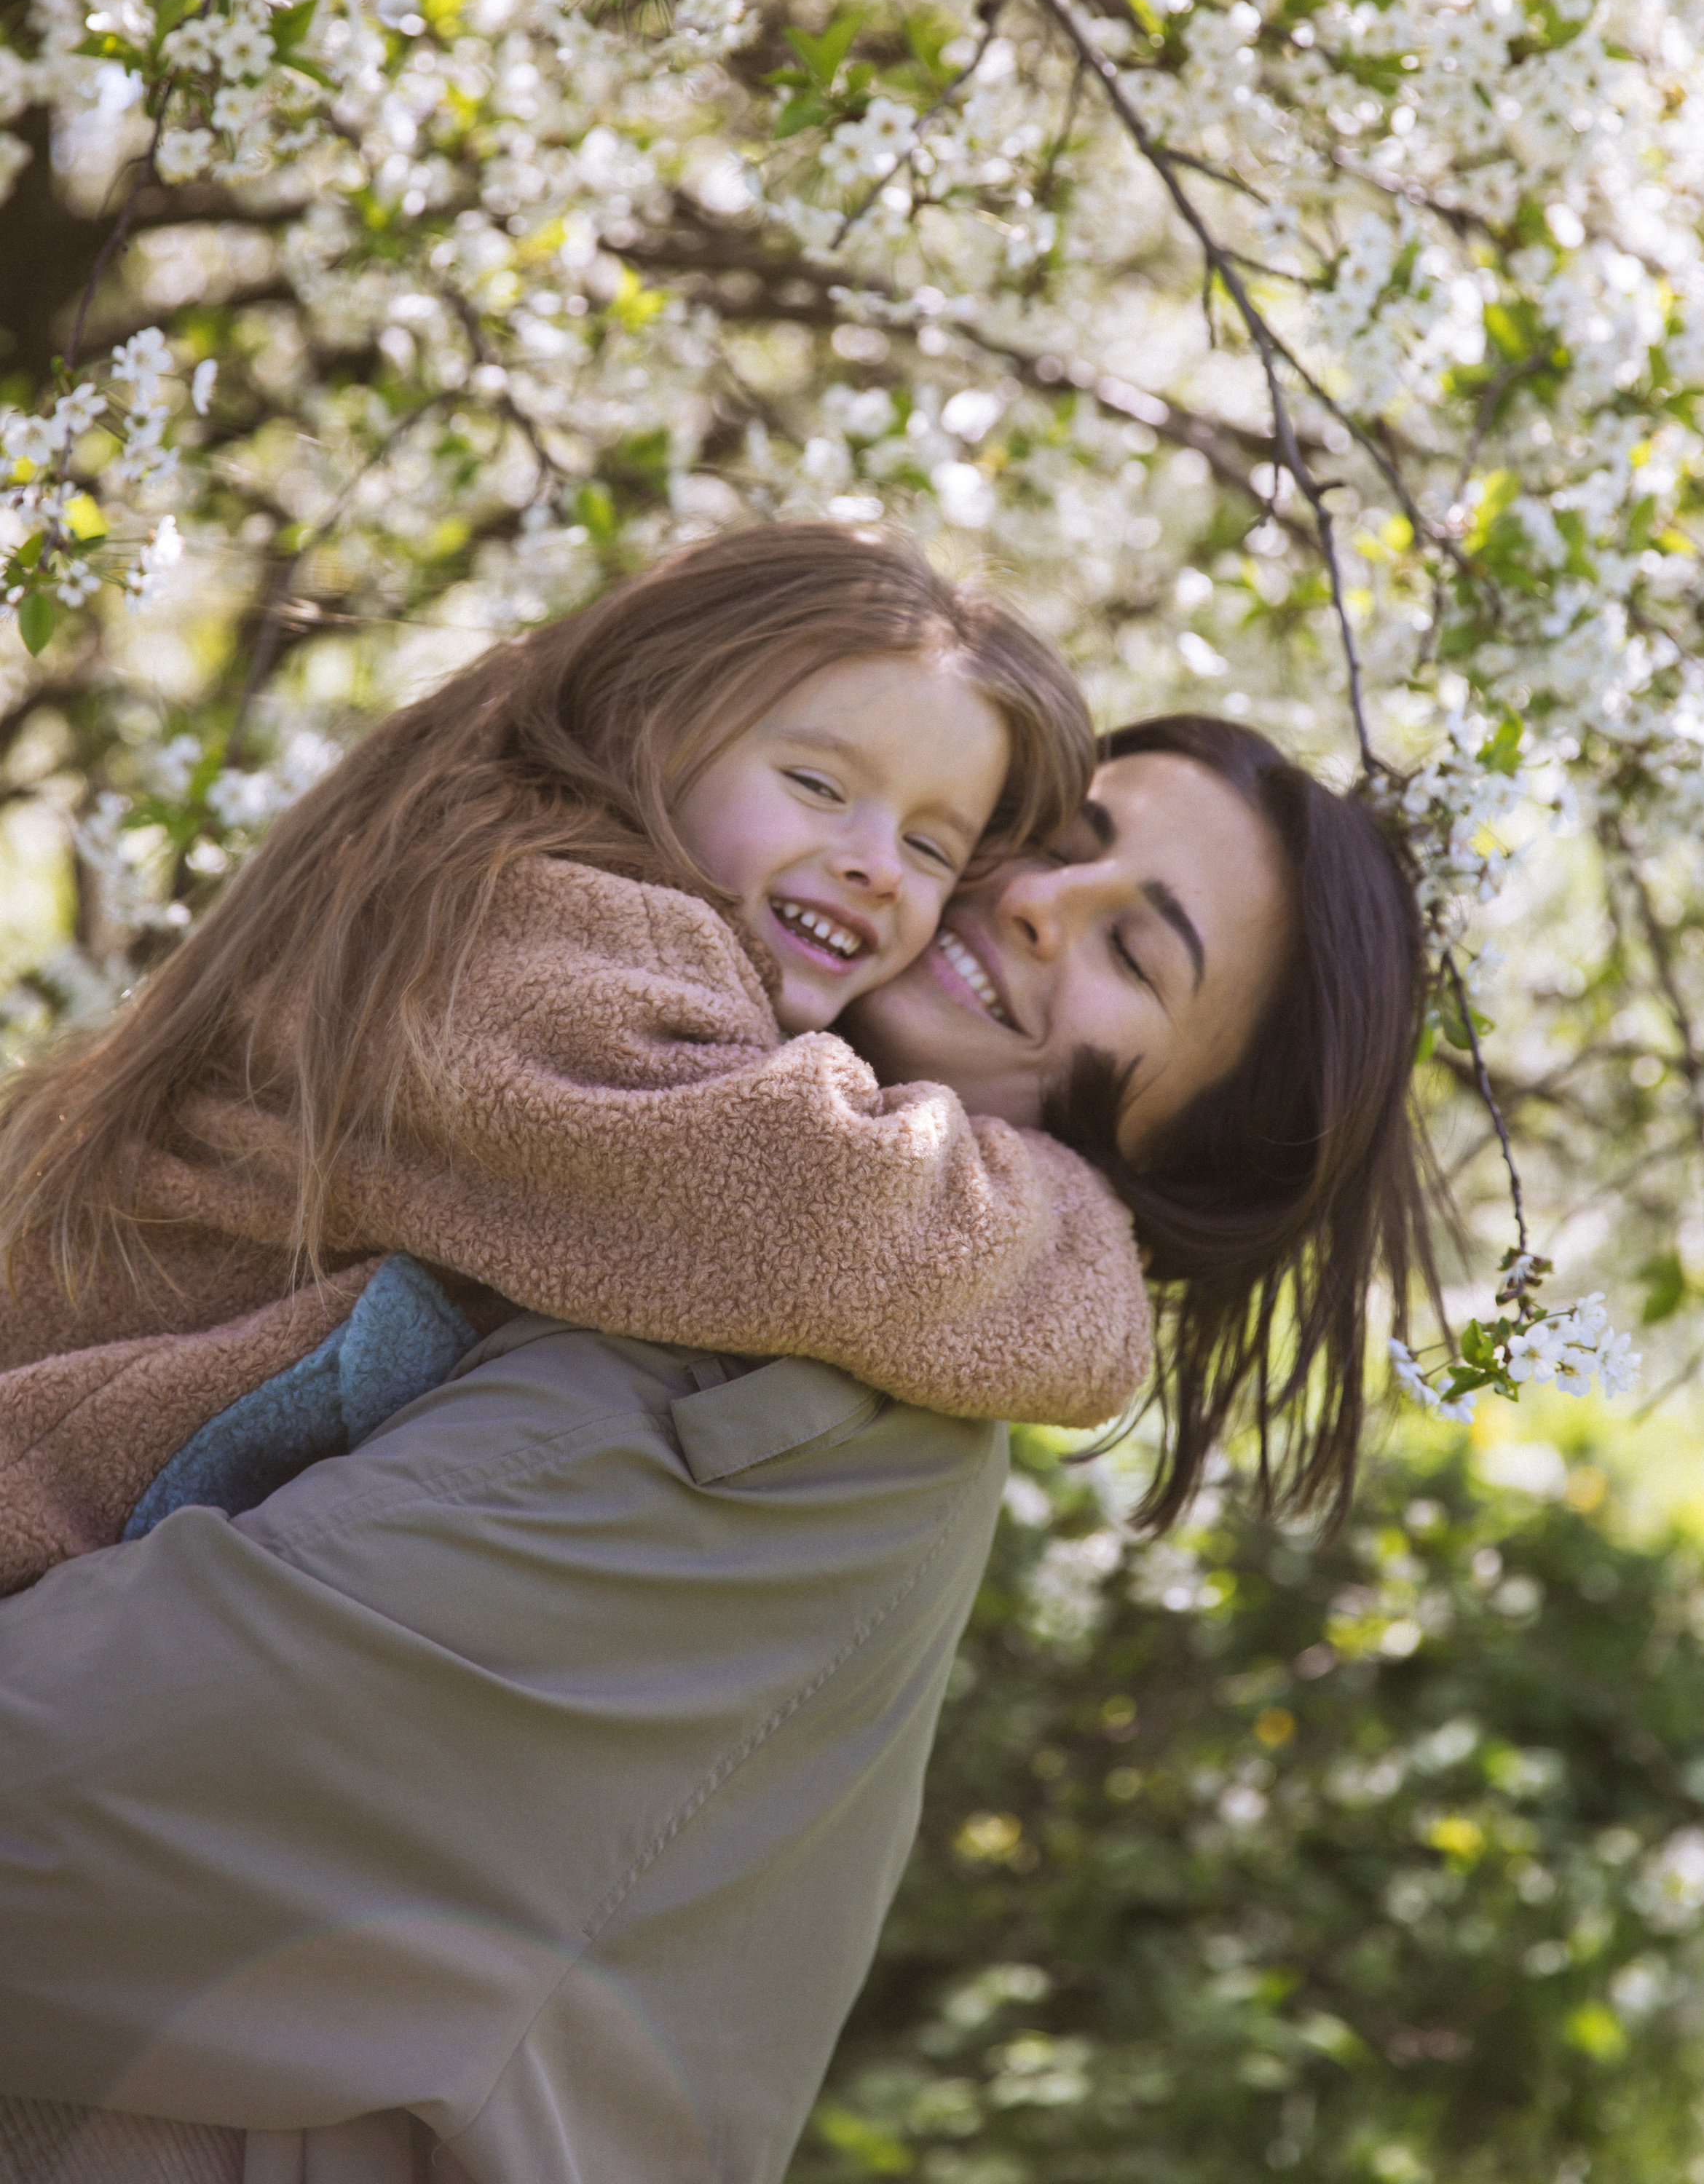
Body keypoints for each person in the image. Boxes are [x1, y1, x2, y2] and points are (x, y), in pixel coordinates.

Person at [0, 703, 1431, 2183]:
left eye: (1136, 954)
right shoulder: (609, 1160)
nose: (1031, 899)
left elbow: (91, 1794)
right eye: (1056, 839)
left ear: (1178, 1152)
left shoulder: (816, 1408)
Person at [0, 522, 1156, 1594]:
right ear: (640, 736)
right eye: (817, 784)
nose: (876, 865)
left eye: (929, 844)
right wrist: (1083, 1240)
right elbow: (808, 1203)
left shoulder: (512, 895)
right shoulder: (549, 935)